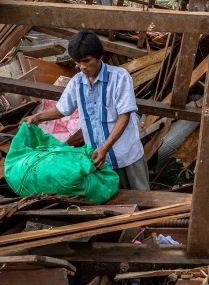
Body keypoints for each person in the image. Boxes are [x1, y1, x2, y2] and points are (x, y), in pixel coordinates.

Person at [23, 30, 150, 191]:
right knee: (116, 202)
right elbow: (62, 109)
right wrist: (36, 117)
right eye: (78, 62)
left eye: (86, 61)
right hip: (99, 160)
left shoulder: (119, 77)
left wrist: (105, 148)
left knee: (142, 197)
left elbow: (124, 116)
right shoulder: (77, 83)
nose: (82, 67)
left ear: (99, 56)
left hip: (126, 155)